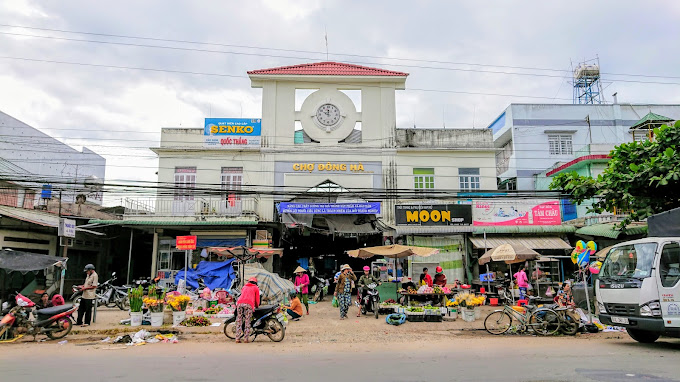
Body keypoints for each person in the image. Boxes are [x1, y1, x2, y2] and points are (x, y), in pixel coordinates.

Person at [235, 276, 260, 343]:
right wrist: (257, 306)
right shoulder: (256, 288)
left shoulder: (244, 287)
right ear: (255, 283)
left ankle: (237, 338)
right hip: (248, 305)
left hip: (240, 303)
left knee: (239, 320)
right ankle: (246, 339)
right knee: (247, 321)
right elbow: (257, 299)